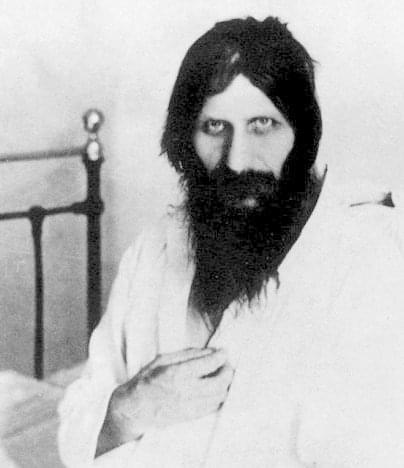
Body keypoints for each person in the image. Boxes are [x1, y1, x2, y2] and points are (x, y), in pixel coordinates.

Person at [58, 16, 404, 467]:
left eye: (262, 124)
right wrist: (129, 409)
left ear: (301, 134)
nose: (238, 160)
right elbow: (78, 419)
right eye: (215, 127)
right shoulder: (155, 250)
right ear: (187, 137)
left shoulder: (367, 262)